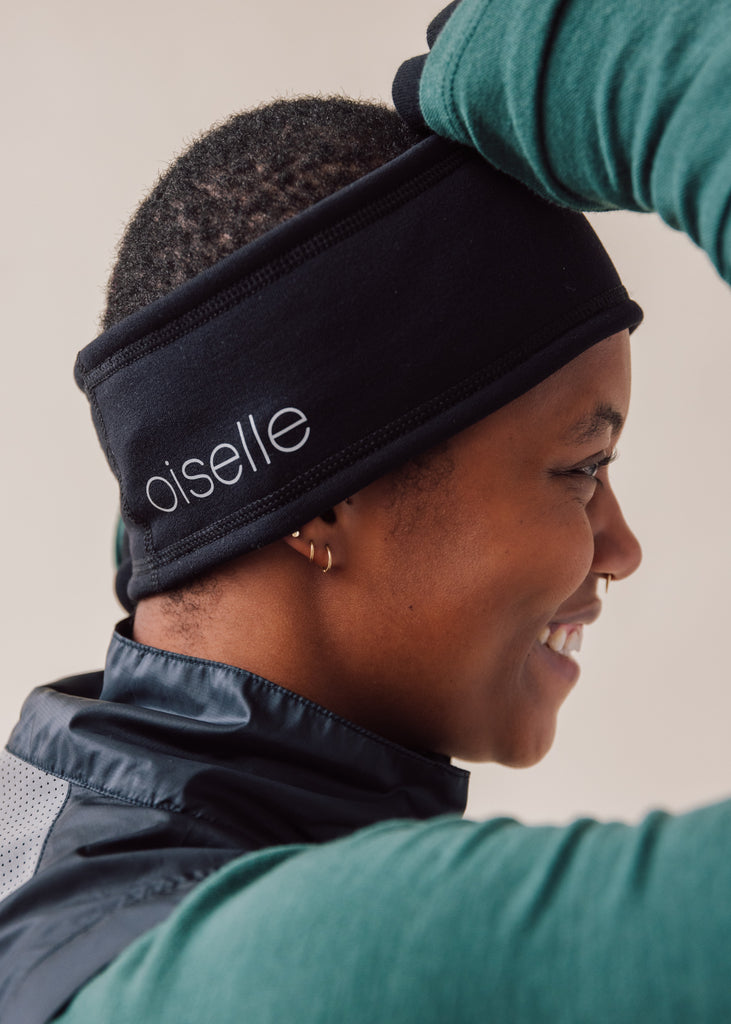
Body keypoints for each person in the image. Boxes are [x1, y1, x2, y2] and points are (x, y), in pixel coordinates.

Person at [0, 83, 727, 1024]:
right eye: (579, 469)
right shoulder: (265, 971)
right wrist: (651, 82)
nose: (621, 550)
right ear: (322, 506)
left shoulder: (67, 851)